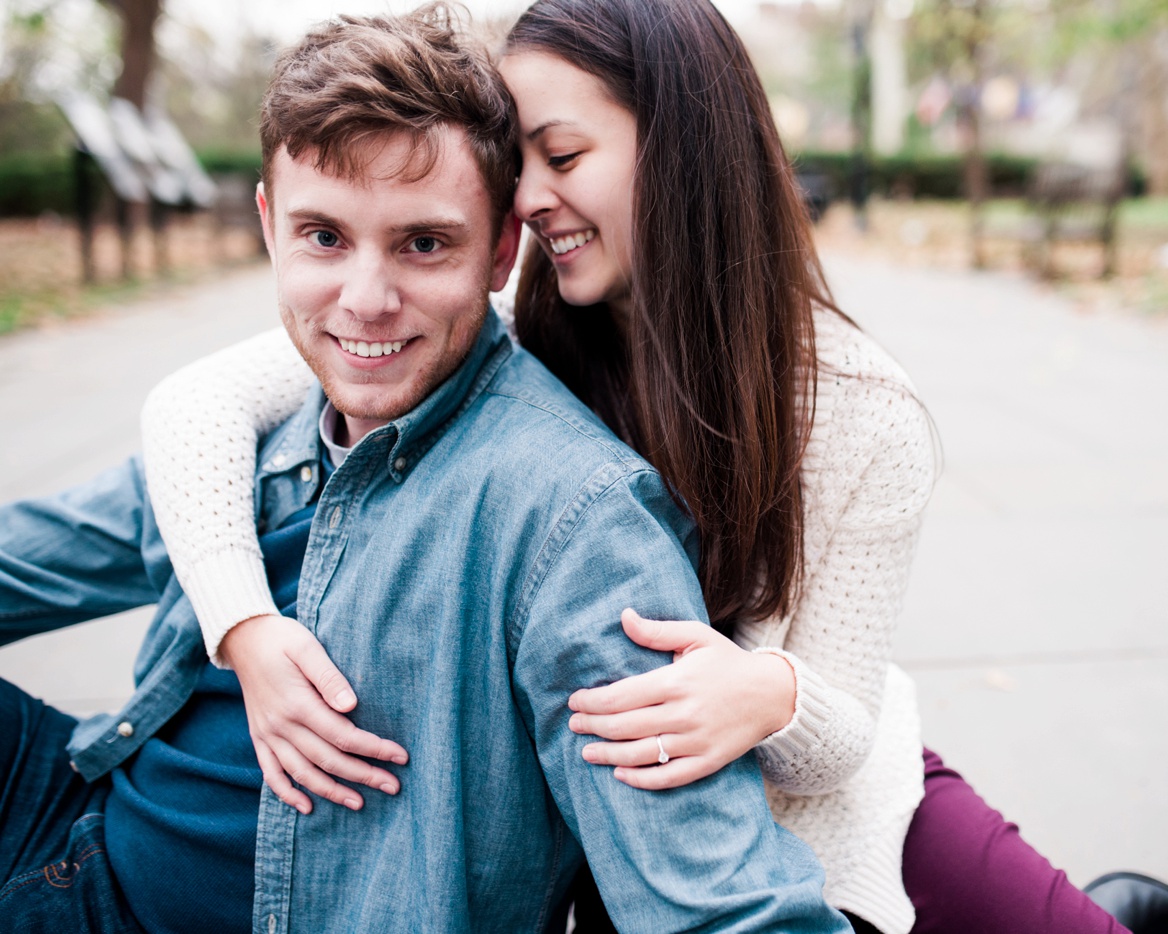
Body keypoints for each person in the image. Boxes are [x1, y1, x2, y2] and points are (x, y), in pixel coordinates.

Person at [135, 1, 1168, 933]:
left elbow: (840, 732)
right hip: (654, 842)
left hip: (845, 807)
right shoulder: (498, 331)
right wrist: (243, 626)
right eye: (518, 163)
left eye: (561, 156)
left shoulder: (857, 412)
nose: (527, 197)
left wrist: (766, 694)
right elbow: (193, 406)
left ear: (679, 149)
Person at [0, 6, 852, 933]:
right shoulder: (259, 437)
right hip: (71, 823)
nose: (365, 302)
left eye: (423, 244)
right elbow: (35, 555)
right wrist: (241, 626)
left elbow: (726, 907)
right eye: (323, 236)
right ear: (268, 225)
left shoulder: (575, 521)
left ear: (500, 249)